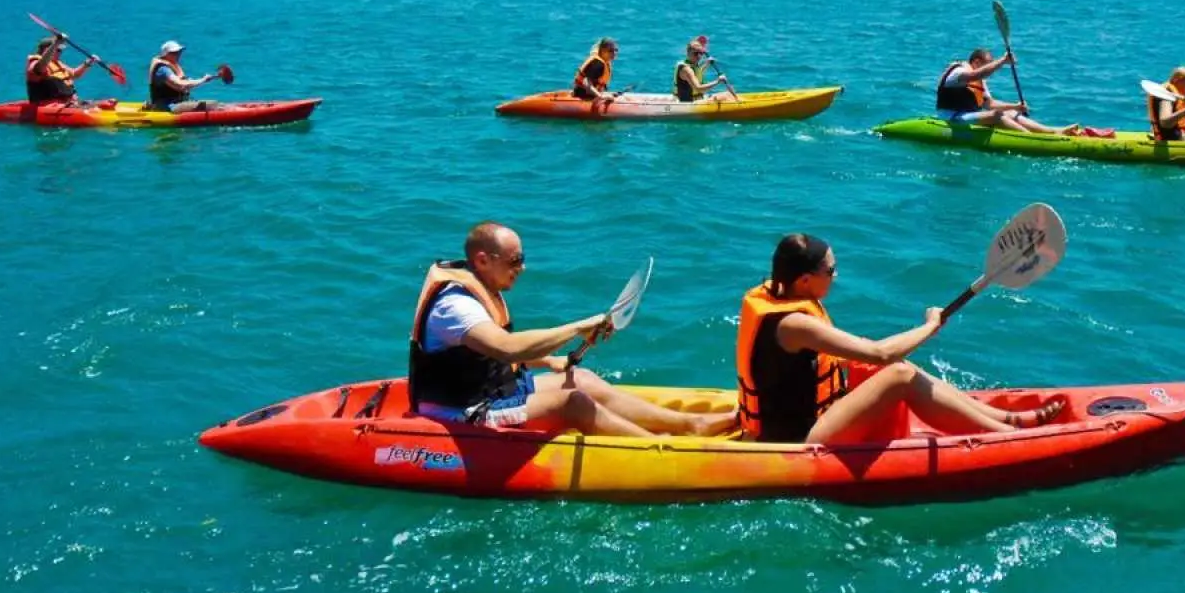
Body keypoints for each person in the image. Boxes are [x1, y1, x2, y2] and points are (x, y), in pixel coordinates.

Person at [409, 222, 738, 437]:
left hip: (493, 392)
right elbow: (506, 348)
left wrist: (550, 362)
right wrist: (578, 327)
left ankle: (689, 424)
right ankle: (659, 447)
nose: (523, 268)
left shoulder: (480, 287)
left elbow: (482, 358)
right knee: (573, 402)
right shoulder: (454, 306)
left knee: (581, 379)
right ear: (482, 260)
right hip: (463, 413)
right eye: (515, 260)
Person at [735, 233, 1065, 445]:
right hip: (798, 438)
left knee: (898, 365)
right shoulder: (794, 323)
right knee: (899, 372)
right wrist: (930, 326)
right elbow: (879, 354)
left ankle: (1010, 420)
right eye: (831, 271)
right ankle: (1009, 438)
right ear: (805, 280)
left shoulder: (779, 296)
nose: (836, 276)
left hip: (811, 415)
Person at [936, 48, 1078, 135]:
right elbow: (977, 75)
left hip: (968, 115)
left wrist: (1015, 106)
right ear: (977, 62)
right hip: (951, 117)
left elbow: (989, 104)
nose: (991, 72)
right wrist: (1003, 61)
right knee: (998, 116)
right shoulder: (958, 72)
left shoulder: (980, 80)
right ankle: (1031, 138)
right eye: (987, 65)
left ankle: (1053, 131)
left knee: (1011, 113)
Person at [146, 41, 222, 113]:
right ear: (166, 55)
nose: (178, 55)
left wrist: (204, 79)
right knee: (212, 104)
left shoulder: (171, 66)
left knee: (216, 104)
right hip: (167, 106)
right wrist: (203, 80)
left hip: (177, 102)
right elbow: (180, 84)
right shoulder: (162, 69)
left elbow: (184, 85)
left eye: (179, 52)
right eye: (174, 53)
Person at [25, 35, 98, 105]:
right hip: (48, 105)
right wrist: (56, 43)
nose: (61, 52)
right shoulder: (36, 63)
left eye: (61, 50)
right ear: (46, 50)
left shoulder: (57, 63)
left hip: (68, 103)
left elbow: (74, 74)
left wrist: (87, 64)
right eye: (58, 50)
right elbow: (41, 67)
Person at [672, 36, 729, 102]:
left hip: (696, 99)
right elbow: (698, 88)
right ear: (688, 53)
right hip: (688, 103)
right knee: (724, 97)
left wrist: (707, 64)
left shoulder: (692, 64)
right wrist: (717, 81)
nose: (699, 56)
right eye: (695, 53)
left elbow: (696, 75)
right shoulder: (686, 69)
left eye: (701, 53)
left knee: (727, 94)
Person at [572, 38, 618, 102]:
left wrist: (606, 94)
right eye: (610, 50)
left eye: (616, 50)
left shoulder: (604, 62)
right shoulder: (598, 64)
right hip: (582, 95)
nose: (614, 53)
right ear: (602, 50)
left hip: (591, 93)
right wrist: (601, 96)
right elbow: (586, 83)